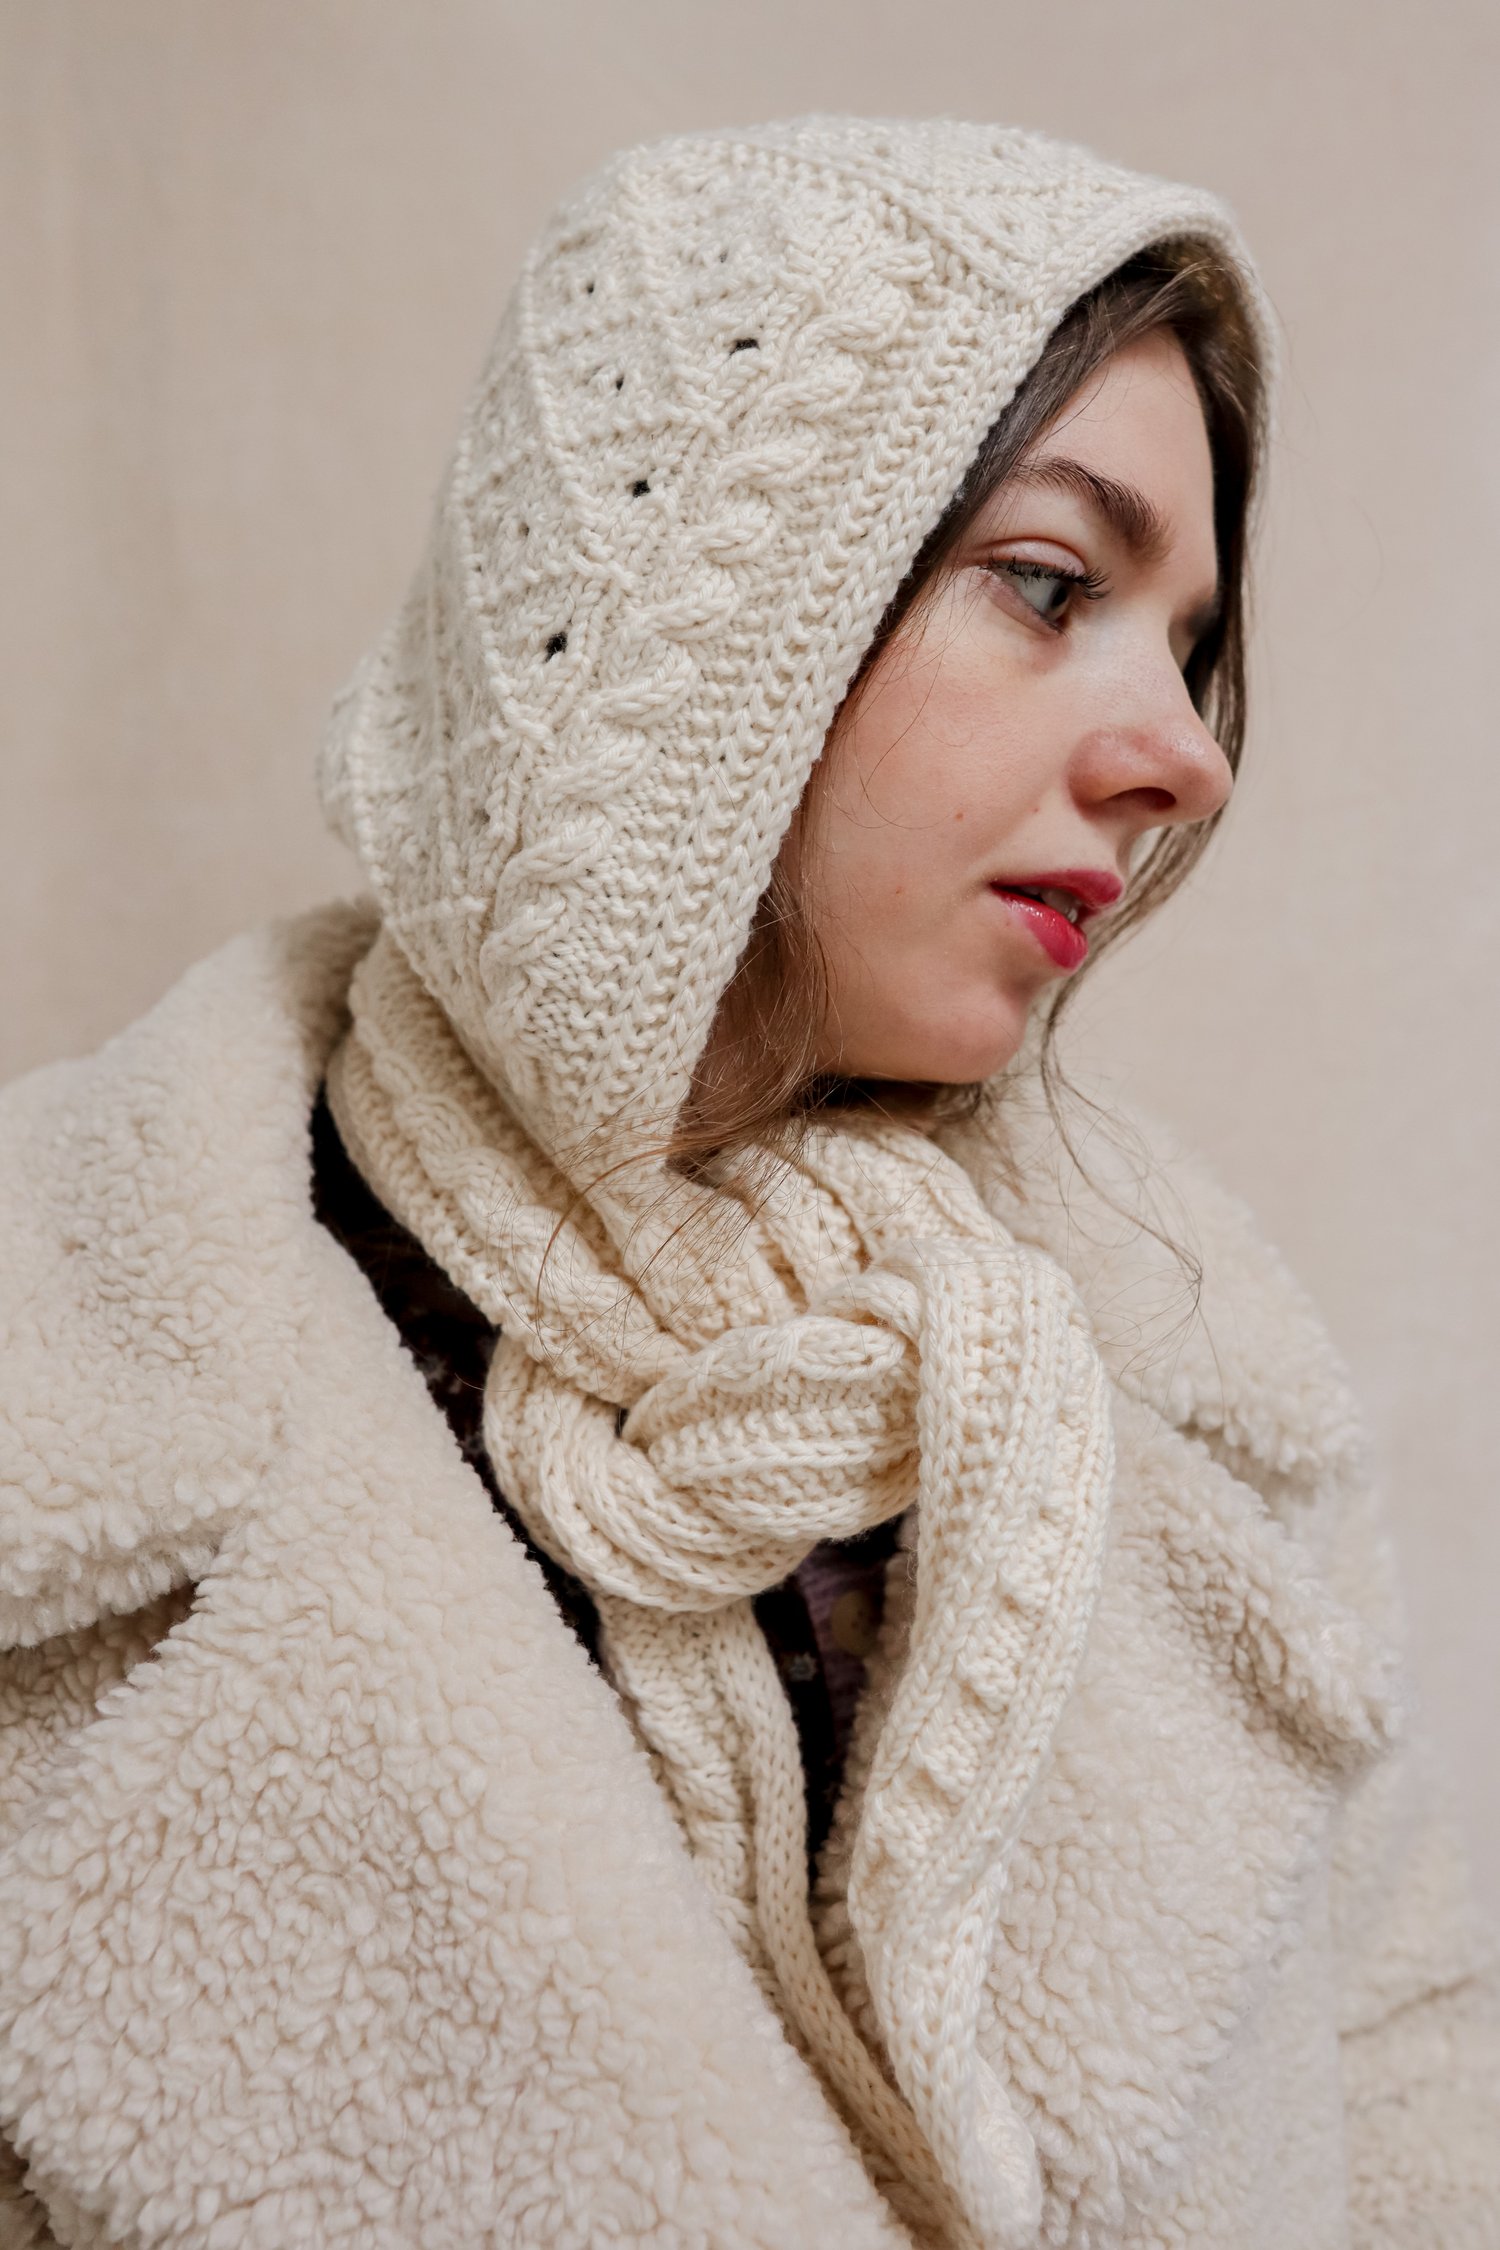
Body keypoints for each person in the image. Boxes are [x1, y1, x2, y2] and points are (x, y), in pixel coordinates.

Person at [0, 115, 1494, 2250]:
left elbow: (1418, 2098)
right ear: (689, 628)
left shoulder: (1199, 1406)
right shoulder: (70, 1401)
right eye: (1052, 585)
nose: (1188, 753)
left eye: (1186, 643)